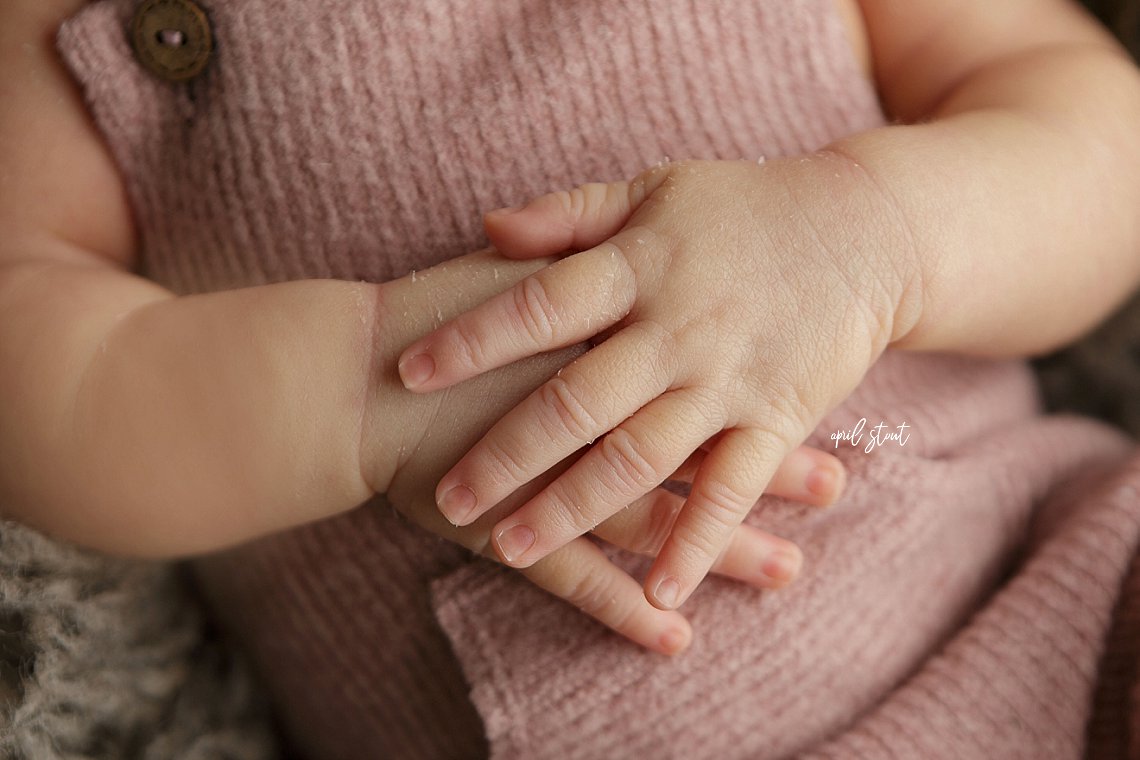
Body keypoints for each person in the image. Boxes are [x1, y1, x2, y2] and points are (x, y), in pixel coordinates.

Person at [1, 0, 1139, 758]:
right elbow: (37, 367)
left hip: (1058, 591)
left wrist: (874, 234)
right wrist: (353, 394)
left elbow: (1094, 134)